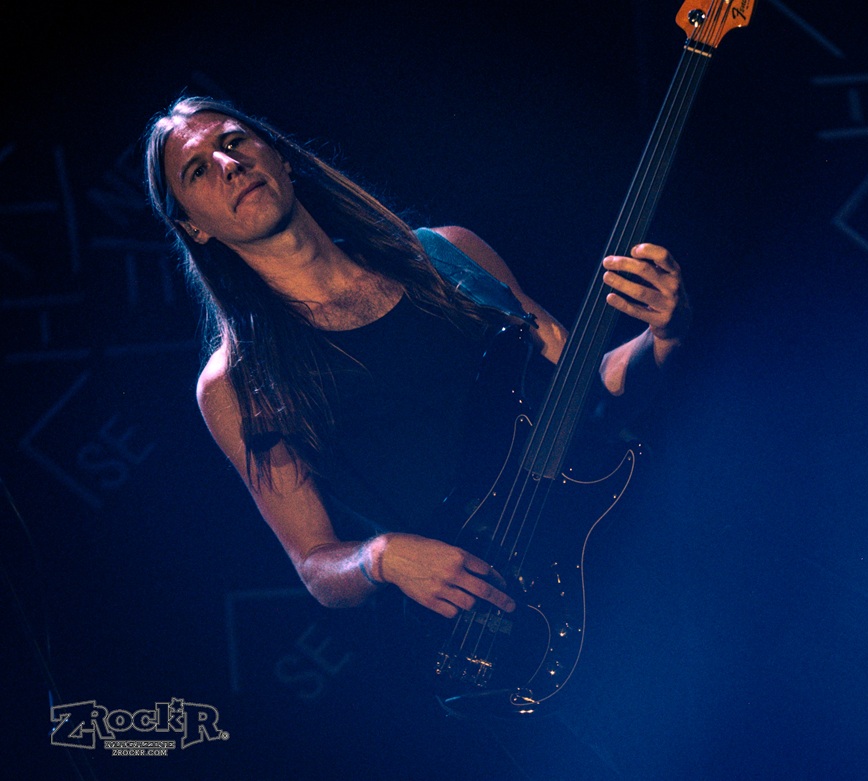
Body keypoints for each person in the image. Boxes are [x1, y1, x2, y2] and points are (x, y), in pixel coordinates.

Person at [143, 95, 689, 778]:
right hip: (518, 627)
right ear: (192, 227)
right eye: (197, 170)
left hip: (636, 553)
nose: (228, 164)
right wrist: (381, 557)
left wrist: (666, 333)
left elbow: (589, 390)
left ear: (277, 156)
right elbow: (315, 563)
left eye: (234, 142)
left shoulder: (448, 254)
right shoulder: (238, 383)